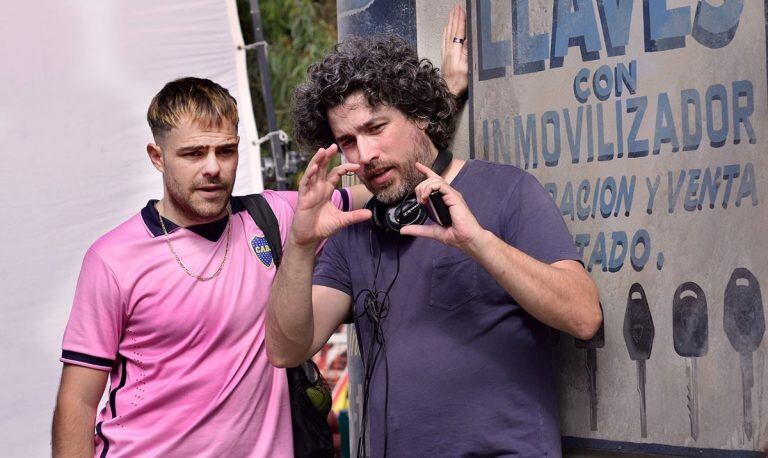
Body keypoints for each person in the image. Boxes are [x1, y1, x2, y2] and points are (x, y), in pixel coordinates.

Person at [265, 27, 602, 458]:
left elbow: (583, 316)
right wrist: (300, 242)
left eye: (376, 127)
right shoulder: (354, 230)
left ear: (421, 115)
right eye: (348, 141)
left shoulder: (508, 191)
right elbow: (286, 348)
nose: (364, 154)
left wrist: (479, 243)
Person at [51, 77, 371, 457]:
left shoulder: (276, 217)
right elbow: (78, 402)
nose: (213, 168)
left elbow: (385, 182)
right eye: (193, 153)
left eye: (226, 151)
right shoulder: (113, 259)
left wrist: (444, 101)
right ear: (157, 156)